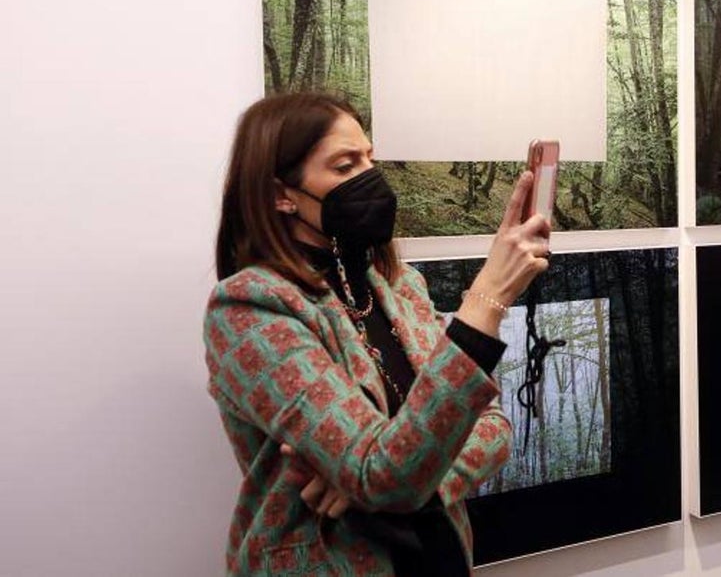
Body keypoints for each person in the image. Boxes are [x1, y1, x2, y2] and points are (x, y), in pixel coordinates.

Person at [203, 91, 550, 575]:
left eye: (370, 158)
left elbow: (492, 428)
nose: (370, 177)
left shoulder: (397, 286)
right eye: (345, 166)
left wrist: (391, 484)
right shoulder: (251, 308)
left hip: (439, 560)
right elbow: (385, 473)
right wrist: (485, 297)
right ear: (280, 194)